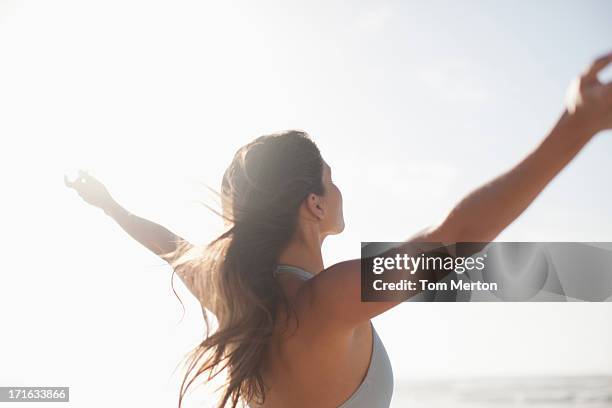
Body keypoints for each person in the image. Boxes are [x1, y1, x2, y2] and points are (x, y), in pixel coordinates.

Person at [65, 52, 612, 408]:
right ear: (314, 205)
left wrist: (110, 206)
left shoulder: (233, 290)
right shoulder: (324, 302)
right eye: (332, 180)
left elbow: (168, 246)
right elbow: (455, 236)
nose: (339, 190)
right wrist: (575, 126)